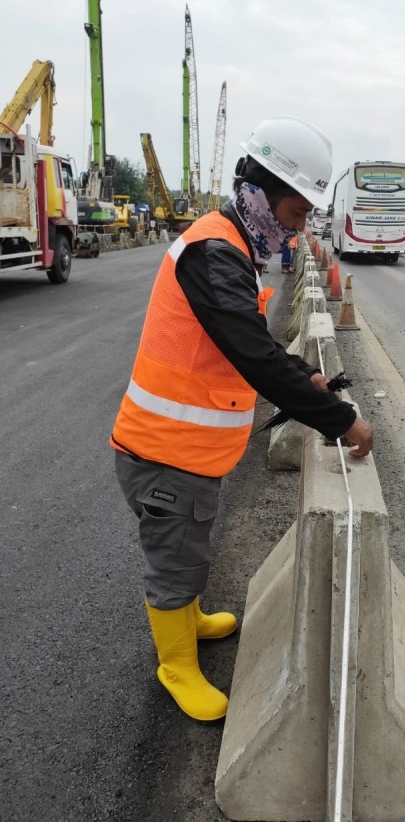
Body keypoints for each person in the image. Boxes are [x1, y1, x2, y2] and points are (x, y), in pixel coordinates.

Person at [110, 116, 374, 722]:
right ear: (262, 190)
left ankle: (190, 616)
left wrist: (298, 374)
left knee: (190, 547)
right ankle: (175, 665)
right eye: (296, 210)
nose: (300, 225)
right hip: (163, 451)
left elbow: (246, 343)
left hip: (186, 450)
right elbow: (250, 353)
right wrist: (339, 418)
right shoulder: (215, 251)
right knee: (175, 558)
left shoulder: (229, 244)